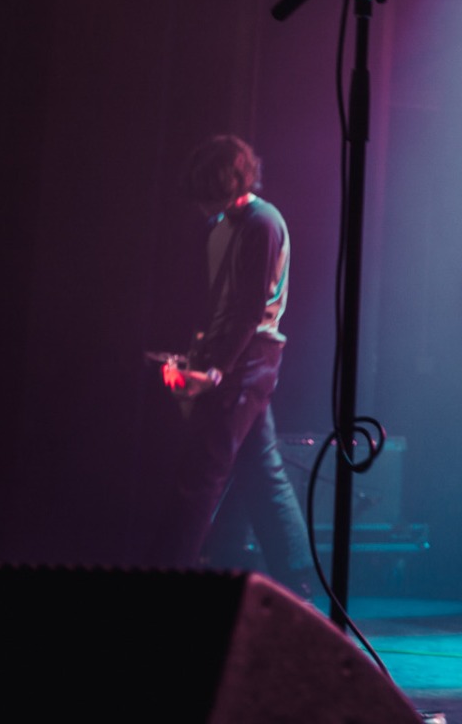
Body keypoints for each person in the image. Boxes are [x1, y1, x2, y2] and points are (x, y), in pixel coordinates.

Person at [161, 135, 316, 598]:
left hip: (250, 359)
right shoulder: (223, 226)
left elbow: (249, 310)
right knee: (262, 473)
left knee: (202, 474)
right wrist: (201, 357)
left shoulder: (262, 223)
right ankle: (298, 581)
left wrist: (215, 371)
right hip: (237, 358)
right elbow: (223, 306)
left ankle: (168, 574)